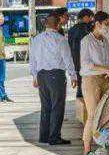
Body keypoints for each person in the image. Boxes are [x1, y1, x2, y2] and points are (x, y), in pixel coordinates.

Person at [30, 12, 77, 147]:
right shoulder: (60, 39)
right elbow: (67, 58)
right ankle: (54, 137)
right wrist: (73, 75)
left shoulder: (36, 39)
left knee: (45, 106)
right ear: (58, 25)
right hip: (56, 75)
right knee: (57, 106)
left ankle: (44, 136)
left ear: (45, 24)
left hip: (41, 75)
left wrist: (34, 76)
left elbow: (32, 59)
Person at [79, 12, 109, 155]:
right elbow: (86, 64)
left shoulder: (105, 41)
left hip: (105, 79)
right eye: (106, 24)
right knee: (93, 115)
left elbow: (107, 62)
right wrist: (106, 69)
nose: (108, 27)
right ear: (97, 24)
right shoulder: (86, 41)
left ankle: (105, 146)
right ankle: (86, 150)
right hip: (91, 80)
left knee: (107, 114)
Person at [67, 8, 95, 100]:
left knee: (80, 83)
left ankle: (80, 102)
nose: (91, 20)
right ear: (85, 17)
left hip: (75, 60)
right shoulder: (87, 29)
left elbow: (69, 46)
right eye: (91, 17)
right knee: (87, 84)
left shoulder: (71, 29)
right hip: (86, 61)